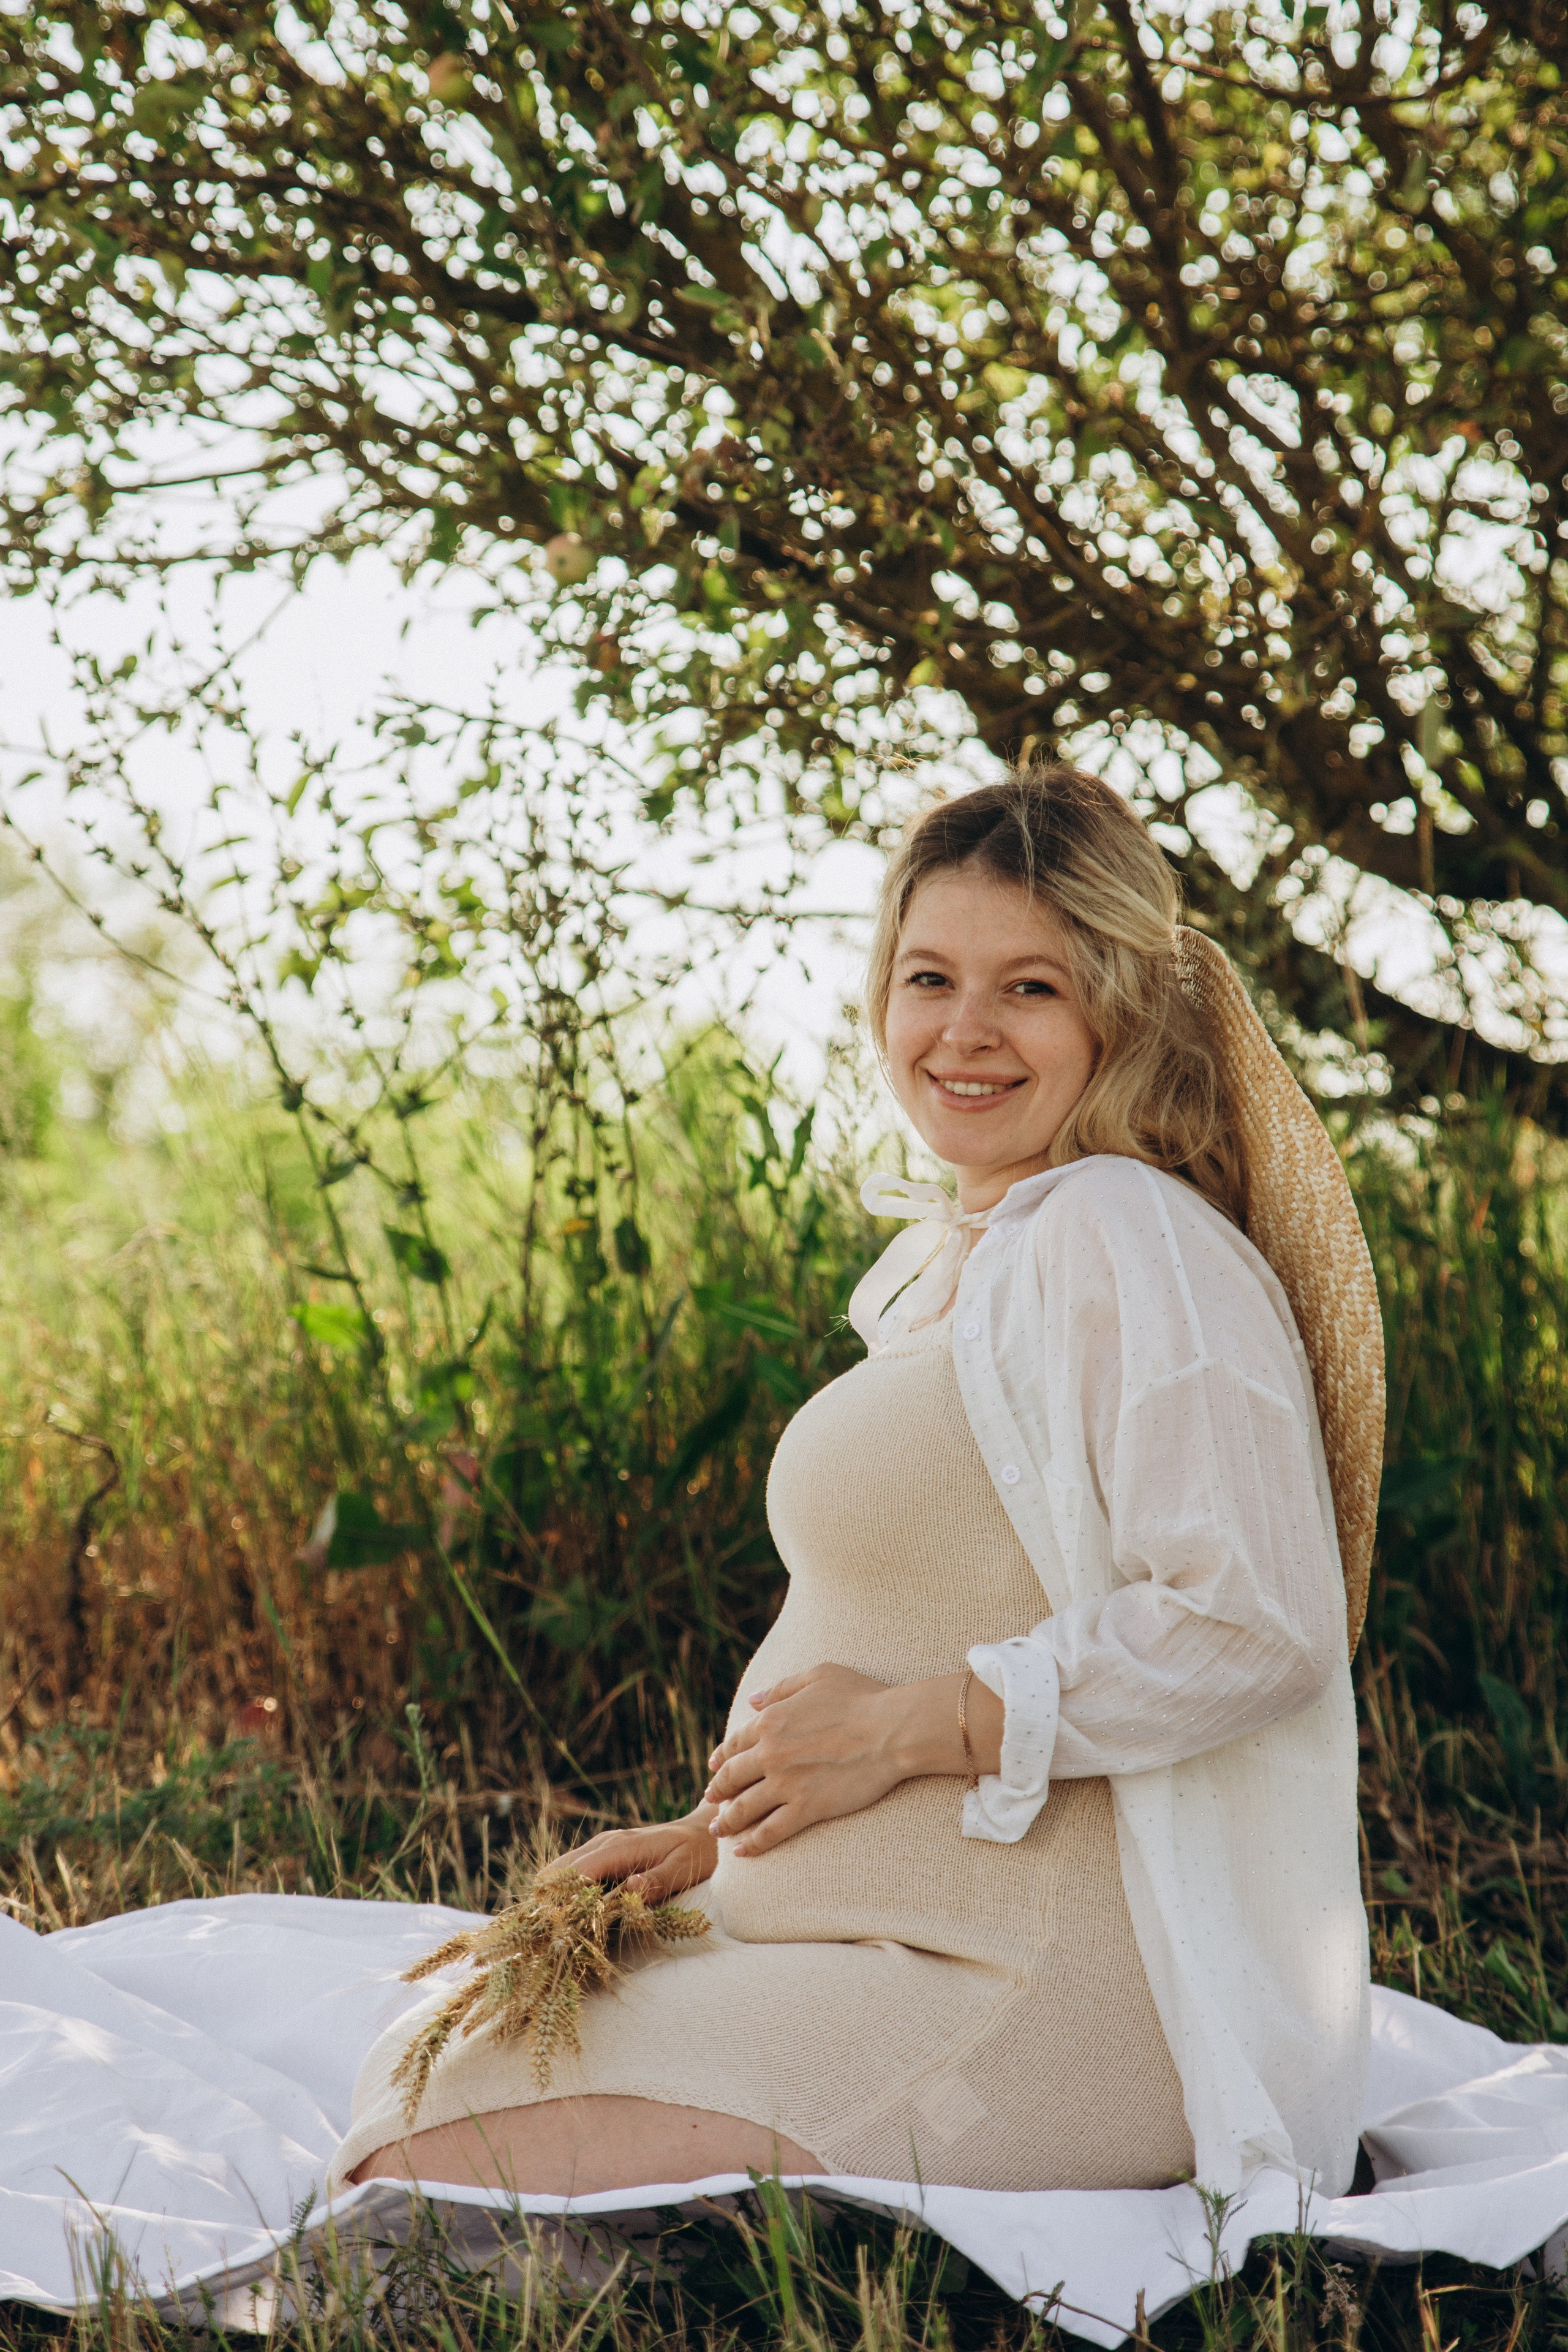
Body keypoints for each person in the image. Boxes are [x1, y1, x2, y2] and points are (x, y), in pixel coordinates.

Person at [330, 764, 1379, 2203]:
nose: (962, 1031)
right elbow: (953, 1589)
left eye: (1030, 989)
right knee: (440, 2048)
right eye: (927, 976)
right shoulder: (983, 1255)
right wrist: (715, 1847)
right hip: (891, 1944)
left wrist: (913, 1729)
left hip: (1033, 1996)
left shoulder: (1128, 1236)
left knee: (442, 2138)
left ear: (1118, 1014)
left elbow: (1252, 1621)